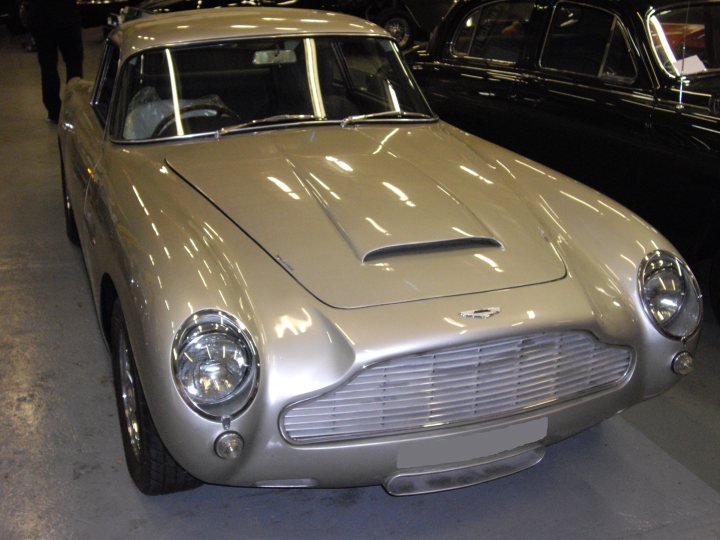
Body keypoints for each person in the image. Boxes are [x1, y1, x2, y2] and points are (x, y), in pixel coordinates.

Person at [26, 0, 84, 123]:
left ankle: (54, 110)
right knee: (74, 62)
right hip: (67, 14)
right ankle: (73, 105)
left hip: (41, 17)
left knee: (48, 66)